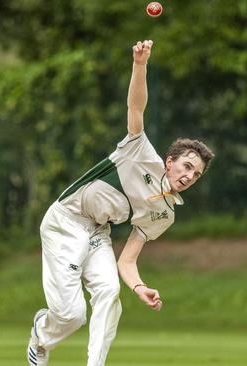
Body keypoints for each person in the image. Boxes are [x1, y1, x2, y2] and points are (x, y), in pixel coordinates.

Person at [27, 39, 214, 366]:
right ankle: (42, 334)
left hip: (98, 232)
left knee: (110, 293)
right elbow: (136, 108)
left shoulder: (165, 214)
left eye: (196, 174)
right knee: (71, 316)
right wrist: (140, 65)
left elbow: (126, 261)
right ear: (170, 161)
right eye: (186, 166)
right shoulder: (140, 153)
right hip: (66, 220)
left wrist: (140, 286)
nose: (189, 176)